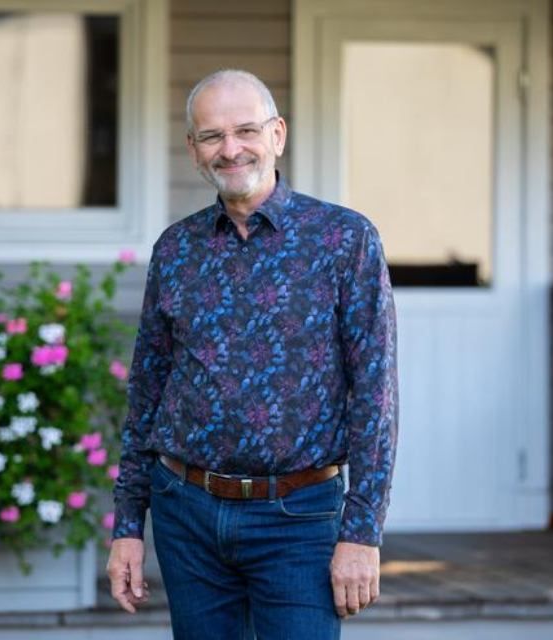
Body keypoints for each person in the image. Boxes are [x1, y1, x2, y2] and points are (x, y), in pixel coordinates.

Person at [107, 69, 398, 640]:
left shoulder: (343, 240)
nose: (231, 148)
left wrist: (362, 532)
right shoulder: (175, 249)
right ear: (193, 149)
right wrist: (127, 524)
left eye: (245, 130)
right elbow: (147, 391)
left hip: (299, 518)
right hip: (185, 512)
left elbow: (376, 394)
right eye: (212, 136)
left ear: (278, 135)